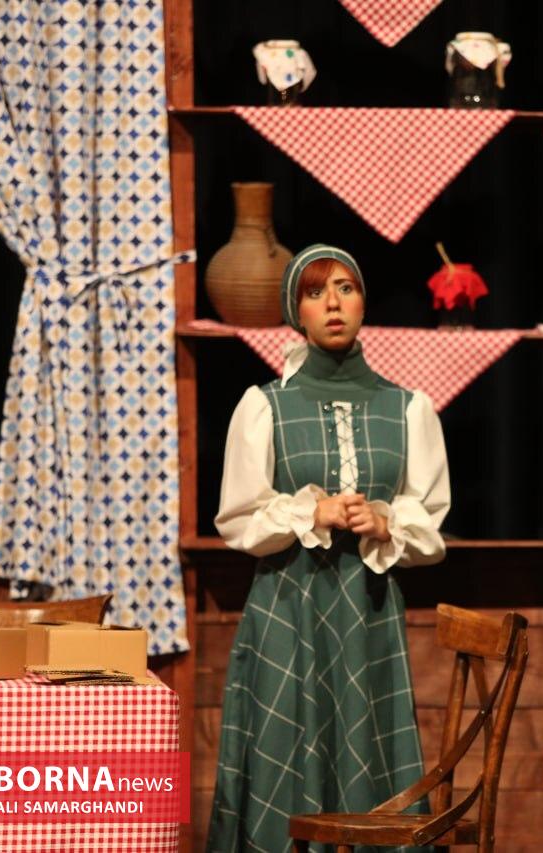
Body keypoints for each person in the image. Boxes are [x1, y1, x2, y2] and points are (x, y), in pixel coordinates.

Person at [207, 244, 451, 852]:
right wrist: (308, 513)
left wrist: (386, 522)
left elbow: (429, 517)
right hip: (288, 608)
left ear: (363, 302)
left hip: (367, 610)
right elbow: (237, 516)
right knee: (285, 748)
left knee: (368, 743)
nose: (333, 304)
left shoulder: (408, 407)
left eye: (346, 288)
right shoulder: (264, 405)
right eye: (315, 293)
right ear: (298, 313)